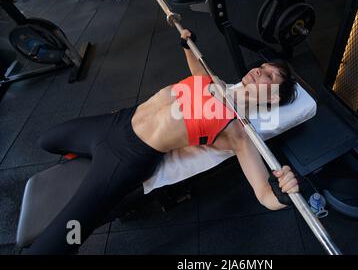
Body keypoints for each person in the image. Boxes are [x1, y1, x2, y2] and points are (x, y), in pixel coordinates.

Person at [24, 29, 300, 255]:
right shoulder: (215, 82)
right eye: (262, 67)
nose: (259, 71)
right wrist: (187, 44)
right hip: (114, 123)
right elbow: (197, 74)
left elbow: (264, 195)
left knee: (54, 243)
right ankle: (83, 158)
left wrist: (281, 194)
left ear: (273, 98)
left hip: (125, 158)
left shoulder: (237, 130)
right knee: (46, 141)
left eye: (270, 76)